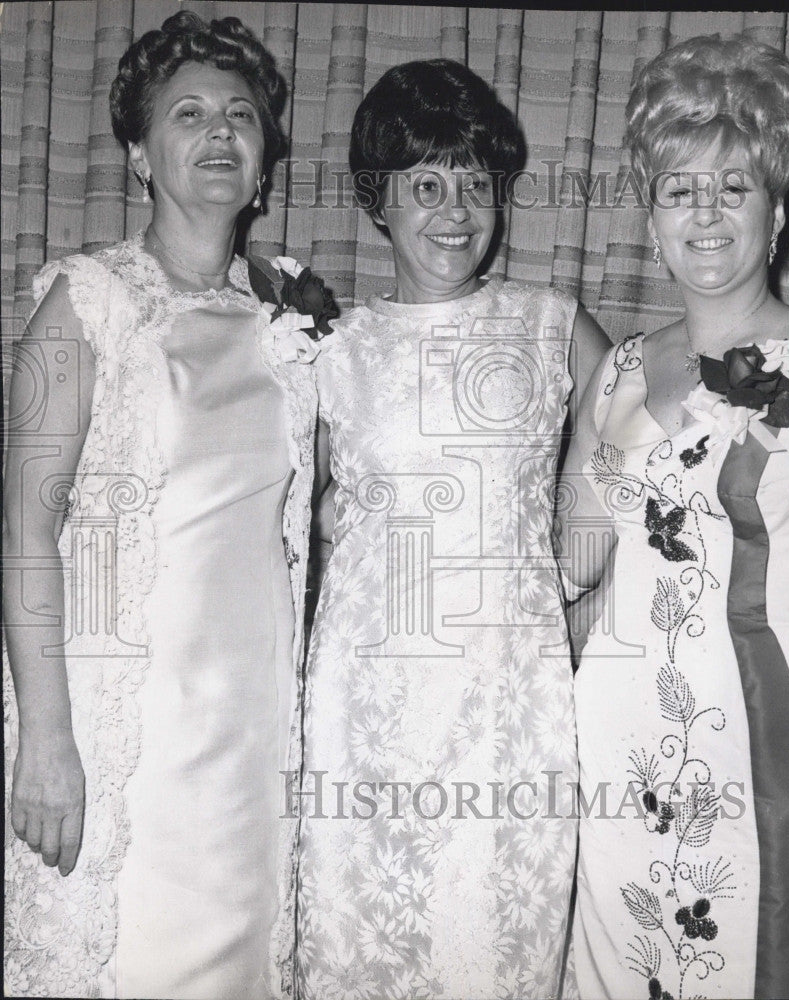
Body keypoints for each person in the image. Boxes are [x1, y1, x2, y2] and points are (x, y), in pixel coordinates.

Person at [557, 35, 789, 1000]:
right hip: (613, 755)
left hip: (769, 753)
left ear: (777, 209)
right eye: (678, 190)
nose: (705, 215)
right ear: (649, 215)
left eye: (733, 187)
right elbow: (572, 561)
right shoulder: (622, 369)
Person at [2, 12, 323, 997]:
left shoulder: (291, 315)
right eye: (188, 114)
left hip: (255, 727)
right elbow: (23, 530)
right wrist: (47, 738)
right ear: (141, 152)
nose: (221, 133)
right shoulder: (87, 302)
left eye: (241, 115)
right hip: (121, 725)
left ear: (265, 157)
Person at [295, 58, 609, 1000]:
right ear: (377, 201)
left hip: (508, 704)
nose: (455, 209)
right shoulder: (328, 348)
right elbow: (295, 516)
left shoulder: (551, 325)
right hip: (367, 701)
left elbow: (641, 465)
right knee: (363, 942)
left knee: (496, 941)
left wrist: (578, 587)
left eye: (475, 183)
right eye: (425, 184)